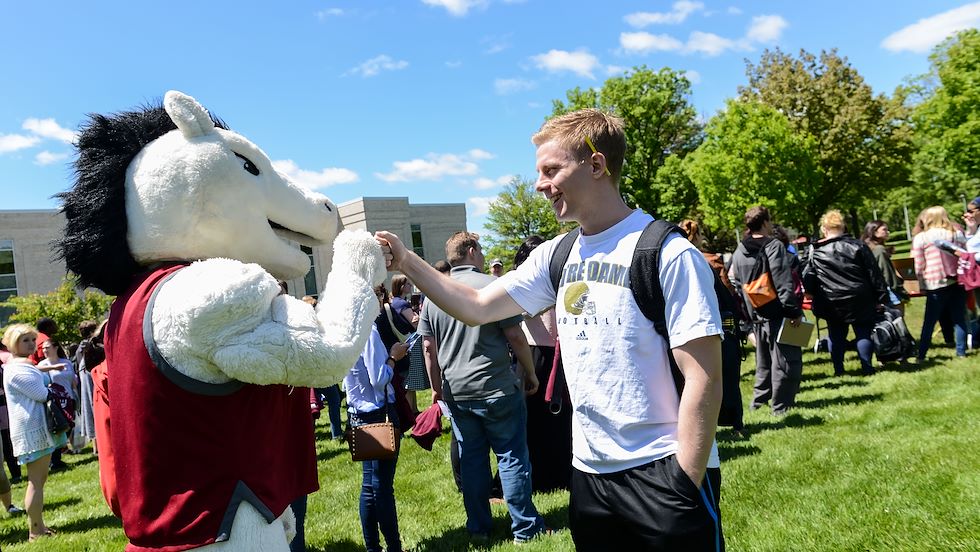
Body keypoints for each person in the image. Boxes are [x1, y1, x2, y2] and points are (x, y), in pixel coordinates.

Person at [378, 108, 724, 550]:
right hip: (589, 475)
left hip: (662, 470)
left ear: (596, 165)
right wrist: (406, 260)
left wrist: (683, 479)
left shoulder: (667, 253)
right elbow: (478, 305)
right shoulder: (557, 254)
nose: (540, 184)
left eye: (551, 170)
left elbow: (705, 376)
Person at [418, 231, 546, 544]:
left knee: (473, 461)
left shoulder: (434, 294)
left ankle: (478, 528)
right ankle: (525, 529)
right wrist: (530, 373)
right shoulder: (492, 286)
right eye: (482, 249)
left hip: (457, 392)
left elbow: (428, 350)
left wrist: (436, 390)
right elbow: (516, 336)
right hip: (497, 386)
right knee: (512, 456)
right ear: (472, 251)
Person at [730, 206, 804, 415]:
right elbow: (782, 281)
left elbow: (737, 285)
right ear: (765, 222)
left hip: (755, 314)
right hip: (776, 312)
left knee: (763, 363)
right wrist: (793, 311)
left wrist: (746, 319)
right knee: (787, 361)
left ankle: (758, 402)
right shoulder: (774, 246)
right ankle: (781, 406)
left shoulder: (739, 251)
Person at [344, 317, 410, 552]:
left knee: (370, 486)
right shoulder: (367, 331)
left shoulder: (343, 328)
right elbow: (379, 379)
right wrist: (393, 358)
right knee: (382, 487)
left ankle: (373, 547)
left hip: (359, 415)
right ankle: (393, 547)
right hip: (378, 414)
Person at [679, 219, 745, 436]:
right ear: (698, 237)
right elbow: (728, 295)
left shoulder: (675, 261)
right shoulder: (711, 261)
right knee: (726, 375)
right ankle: (734, 424)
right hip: (717, 323)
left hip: (683, 326)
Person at [804, 210, 890, 375]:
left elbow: (808, 275)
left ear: (824, 228)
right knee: (863, 332)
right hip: (860, 296)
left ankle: (839, 370)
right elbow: (874, 273)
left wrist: (811, 293)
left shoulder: (815, 250)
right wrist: (881, 297)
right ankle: (867, 367)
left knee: (835, 335)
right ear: (843, 226)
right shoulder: (858, 245)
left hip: (831, 298)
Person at [2, 324, 67, 542]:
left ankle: (39, 526)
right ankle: (35, 531)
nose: (31, 344)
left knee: (38, 480)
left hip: (35, 428)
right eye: (25, 340)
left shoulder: (22, 365)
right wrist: (51, 387)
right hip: (32, 430)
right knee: (36, 481)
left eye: (32, 340)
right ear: (13, 344)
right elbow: (40, 394)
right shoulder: (18, 368)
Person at [912, 206, 969, 360]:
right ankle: (961, 352)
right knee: (959, 318)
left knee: (929, 321)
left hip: (934, 282)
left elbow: (919, 264)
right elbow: (965, 255)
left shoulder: (921, 238)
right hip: (957, 279)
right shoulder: (956, 233)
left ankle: (922, 354)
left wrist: (921, 284)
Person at [37, 339, 78, 469]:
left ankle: (57, 456)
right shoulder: (42, 365)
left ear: (55, 348)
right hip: (55, 402)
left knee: (69, 426)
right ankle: (54, 460)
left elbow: (73, 379)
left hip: (69, 398)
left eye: (47, 347)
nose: (45, 350)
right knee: (58, 427)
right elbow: (36, 370)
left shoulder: (66, 362)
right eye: (43, 348)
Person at [862, 220, 908, 313]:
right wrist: (901, 291)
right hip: (889, 293)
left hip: (875, 294)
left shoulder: (865, 248)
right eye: (884, 230)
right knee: (898, 323)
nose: (888, 232)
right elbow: (888, 274)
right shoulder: (879, 250)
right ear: (874, 232)